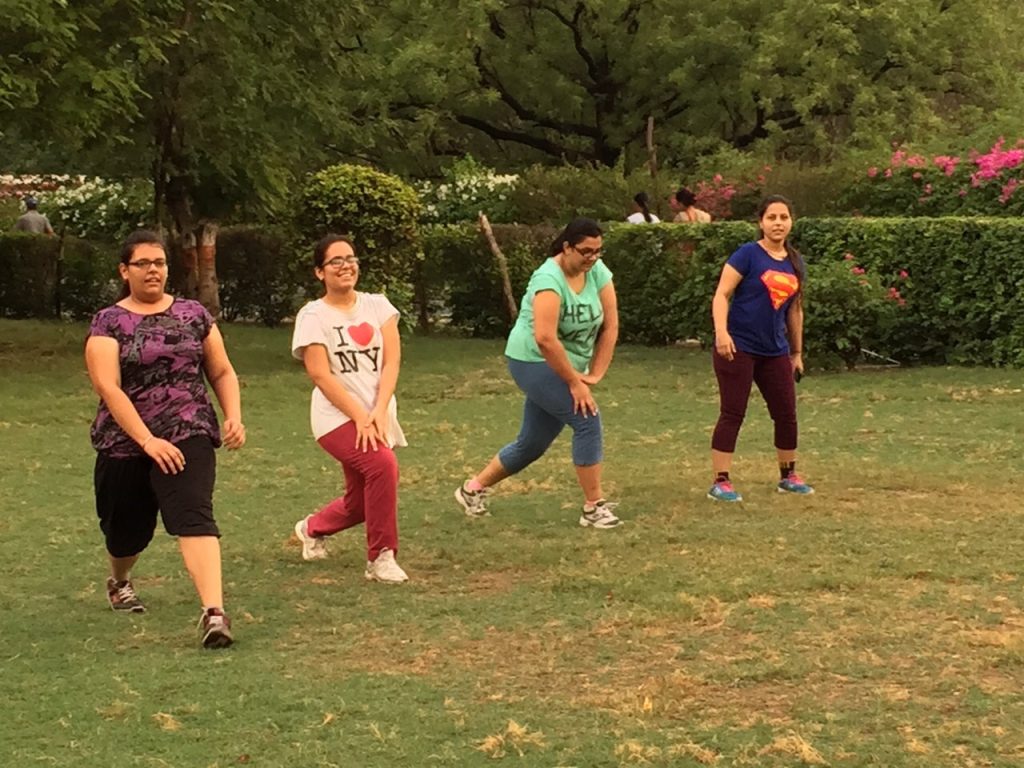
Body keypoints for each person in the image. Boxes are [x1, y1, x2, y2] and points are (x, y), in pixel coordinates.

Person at [84, 229, 245, 649]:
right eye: (143, 263)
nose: (153, 270)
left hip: (188, 428)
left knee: (194, 514)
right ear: (125, 271)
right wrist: (147, 441)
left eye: (159, 263)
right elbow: (109, 387)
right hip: (125, 440)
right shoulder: (108, 322)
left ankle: (214, 613)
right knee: (126, 532)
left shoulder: (194, 315)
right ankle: (119, 581)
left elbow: (222, 371)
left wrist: (234, 416)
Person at [454, 217, 622, 528]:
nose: (593, 257)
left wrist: (596, 372)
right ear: (567, 247)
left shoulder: (596, 271)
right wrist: (575, 382)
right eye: (586, 251)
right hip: (532, 361)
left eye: (598, 251)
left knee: (532, 443)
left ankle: (472, 489)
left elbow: (611, 325)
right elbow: (544, 338)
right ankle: (593, 507)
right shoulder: (548, 278)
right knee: (587, 420)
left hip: (567, 363)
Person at [290, 235, 409, 583]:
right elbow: (319, 374)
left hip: (376, 413)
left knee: (361, 501)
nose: (346, 266)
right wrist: (359, 415)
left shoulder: (378, 306)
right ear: (319, 272)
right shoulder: (313, 315)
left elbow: (392, 361)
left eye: (351, 258)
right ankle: (381, 558)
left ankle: (312, 528)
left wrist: (379, 409)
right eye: (336, 261)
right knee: (383, 466)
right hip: (336, 416)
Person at [707, 195, 813, 502]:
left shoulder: (795, 261)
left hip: (775, 351)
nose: (778, 223)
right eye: (772, 217)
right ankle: (721, 481)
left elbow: (795, 310)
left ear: (791, 221)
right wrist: (721, 333)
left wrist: (796, 352)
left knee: (786, 413)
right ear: (761, 223)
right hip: (738, 347)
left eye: (783, 217)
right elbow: (721, 295)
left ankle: (788, 475)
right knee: (733, 412)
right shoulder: (747, 255)